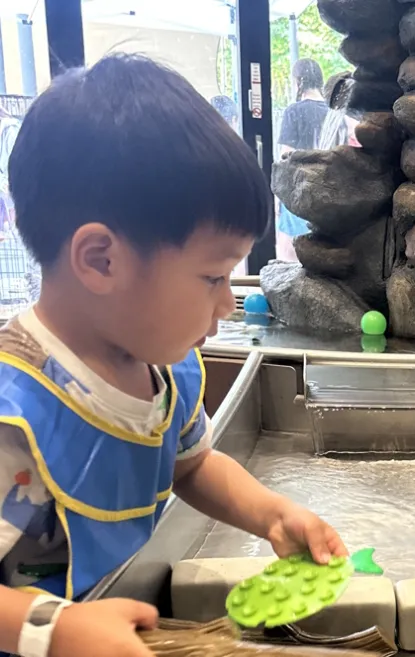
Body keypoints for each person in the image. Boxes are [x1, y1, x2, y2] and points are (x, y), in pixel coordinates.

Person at [0, 54, 347, 657]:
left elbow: (191, 465)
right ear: (101, 260)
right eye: (213, 277)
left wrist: (271, 514)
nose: (227, 304)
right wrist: (56, 631)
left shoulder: (166, 369)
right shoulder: (15, 418)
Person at [276, 58, 328, 261]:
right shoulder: (332, 113)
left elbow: (286, 156)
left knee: (287, 252)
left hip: (299, 188)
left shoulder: (293, 111)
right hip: (327, 188)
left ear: (298, 82)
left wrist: (279, 198)